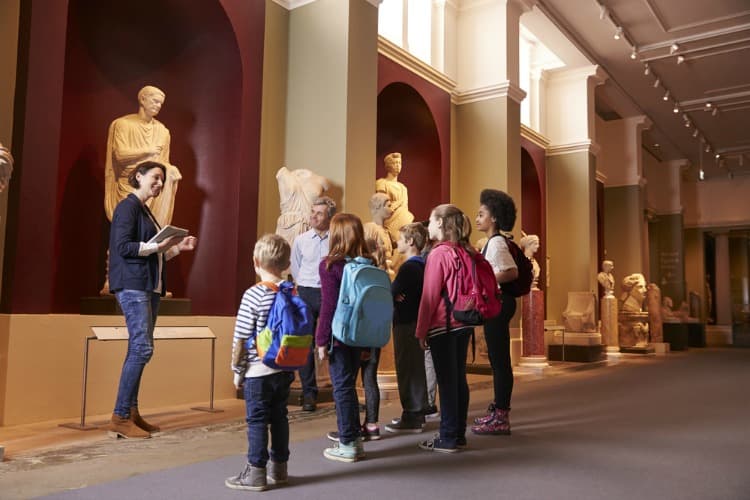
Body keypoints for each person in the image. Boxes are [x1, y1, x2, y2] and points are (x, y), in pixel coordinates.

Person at [106, 161, 197, 439]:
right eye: (155, 178)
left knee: (139, 349)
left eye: (162, 179)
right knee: (142, 349)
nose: (159, 183)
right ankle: (120, 416)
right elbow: (123, 247)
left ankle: (131, 412)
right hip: (133, 286)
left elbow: (154, 253)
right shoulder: (127, 206)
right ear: (139, 176)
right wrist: (159, 245)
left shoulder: (146, 211)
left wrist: (177, 248)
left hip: (148, 287)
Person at [225, 234, 295, 492]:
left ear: (255, 262)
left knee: (256, 421)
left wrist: (237, 370)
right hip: (284, 368)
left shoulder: (253, 294)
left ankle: (256, 473)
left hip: (258, 371)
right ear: (287, 264)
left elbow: (242, 337)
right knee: (279, 417)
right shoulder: (291, 290)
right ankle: (280, 468)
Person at [415, 204, 475, 453]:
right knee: (459, 379)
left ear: (440, 222)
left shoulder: (438, 254)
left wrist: (421, 331)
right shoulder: (464, 251)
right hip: (464, 323)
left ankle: (448, 437)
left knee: (447, 382)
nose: (427, 225)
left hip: (443, 325)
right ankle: (458, 433)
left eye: (430, 220)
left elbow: (429, 295)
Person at [316, 213, 371, 462]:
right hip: (362, 334)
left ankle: (348, 442)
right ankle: (354, 439)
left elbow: (328, 306)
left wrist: (320, 340)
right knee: (350, 386)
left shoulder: (331, 265)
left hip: (339, 335)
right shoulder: (368, 264)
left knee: (342, 388)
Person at [471, 189, 517, 436]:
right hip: (499, 304)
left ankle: (501, 416)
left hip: (499, 304)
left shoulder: (497, 243)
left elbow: (511, 272)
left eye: (481, 214)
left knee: (500, 363)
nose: (477, 218)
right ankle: (499, 411)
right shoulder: (493, 242)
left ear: (494, 218)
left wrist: (485, 280)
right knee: (498, 362)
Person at [104, 85, 181, 228]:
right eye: (155, 101)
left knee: (170, 172)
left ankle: (154, 240)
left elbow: (162, 163)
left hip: (153, 187)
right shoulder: (123, 124)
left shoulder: (163, 131)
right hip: (129, 183)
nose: (158, 106)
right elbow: (120, 155)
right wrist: (147, 151)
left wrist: (170, 169)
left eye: (161, 104)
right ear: (143, 99)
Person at [290, 196, 336, 411]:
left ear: (329, 216)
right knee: (305, 342)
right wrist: (303, 285)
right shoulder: (301, 240)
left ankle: (339, 390)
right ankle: (309, 393)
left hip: (329, 292)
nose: (313, 216)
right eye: (312, 211)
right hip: (306, 291)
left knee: (334, 340)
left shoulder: (336, 239)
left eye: (319, 213)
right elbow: (296, 266)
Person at [385, 222, 430, 433]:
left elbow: (391, 292)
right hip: (416, 320)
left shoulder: (410, 266)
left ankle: (412, 414)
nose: (397, 242)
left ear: (411, 241)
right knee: (415, 367)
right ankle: (417, 411)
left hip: (406, 322)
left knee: (407, 368)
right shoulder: (422, 264)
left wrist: (396, 295)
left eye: (401, 239)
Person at [275, 166, 330, 246]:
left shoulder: (321, 180)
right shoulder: (282, 173)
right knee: (283, 255)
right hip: (287, 228)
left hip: (309, 226)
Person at [375, 152, 414, 243]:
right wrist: (396, 205)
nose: (398, 165)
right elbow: (382, 206)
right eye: (395, 163)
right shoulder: (381, 183)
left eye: (399, 163)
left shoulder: (403, 188)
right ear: (388, 165)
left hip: (403, 222)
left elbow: (405, 207)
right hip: (389, 222)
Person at [363, 192, 395, 278]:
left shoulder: (388, 231)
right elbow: (366, 254)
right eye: (389, 206)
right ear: (378, 206)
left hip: (388, 274)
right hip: (375, 274)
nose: (392, 209)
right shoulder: (370, 228)